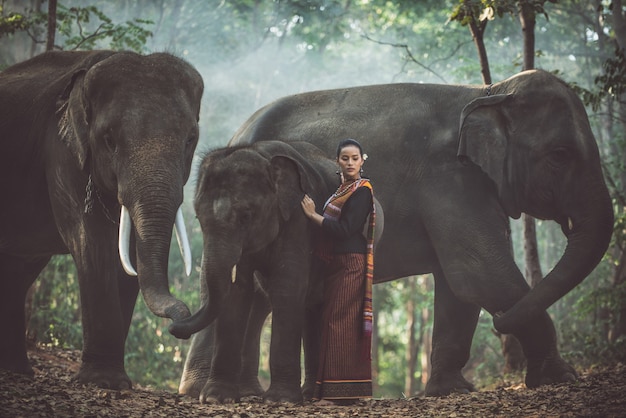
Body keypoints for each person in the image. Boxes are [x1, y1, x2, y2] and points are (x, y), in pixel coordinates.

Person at [300, 138, 376, 406]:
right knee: (334, 323)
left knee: (337, 323)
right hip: (337, 263)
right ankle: (338, 392)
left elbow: (346, 230)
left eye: (355, 158)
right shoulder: (341, 190)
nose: (350, 163)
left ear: (362, 161)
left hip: (351, 263)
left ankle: (337, 395)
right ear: (338, 161)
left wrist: (313, 217)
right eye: (345, 158)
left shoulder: (362, 191)